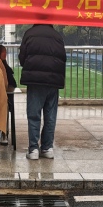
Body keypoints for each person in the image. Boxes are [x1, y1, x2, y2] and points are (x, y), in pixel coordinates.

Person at [18, 24, 66, 160]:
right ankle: (47, 148)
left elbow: (22, 57)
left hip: (35, 81)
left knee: (34, 115)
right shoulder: (57, 35)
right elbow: (63, 58)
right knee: (50, 116)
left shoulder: (29, 33)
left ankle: (33, 149)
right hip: (53, 81)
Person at [0, 43, 17, 146]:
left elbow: (12, 83)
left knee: (2, 107)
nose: (5, 54)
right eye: (3, 52)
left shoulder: (6, 68)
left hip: (1, 98)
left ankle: (3, 133)